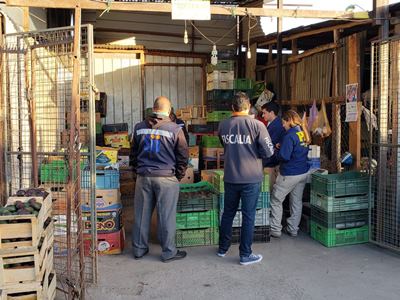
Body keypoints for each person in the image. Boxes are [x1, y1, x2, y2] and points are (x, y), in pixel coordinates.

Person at [218, 92, 274, 265]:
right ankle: (245, 254)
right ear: (248, 106)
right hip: (251, 178)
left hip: (230, 177)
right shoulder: (257, 125)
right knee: (248, 216)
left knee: (228, 213)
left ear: (231, 107)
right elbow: (269, 151)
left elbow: (225, 145)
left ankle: (223, 248)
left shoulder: (223, 125)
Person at [130, 96, 189, 262]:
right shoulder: (175, 129)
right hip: (166, 177)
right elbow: (183, 156)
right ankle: (168, 251)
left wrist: (137, 172)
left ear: (152, 108)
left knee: (141, 215)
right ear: (169, 110)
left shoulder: (139, 127)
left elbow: (132, 153)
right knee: (166, 216)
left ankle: (139, 249)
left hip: (143, 177)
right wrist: (178, 175)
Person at [270, 110, 311, 238]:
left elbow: (284, 156)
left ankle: (275, 229)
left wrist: (276, 151)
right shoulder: (302, 133)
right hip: (303, 172)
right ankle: (293, 229)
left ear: (289, 121)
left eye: (284, 123)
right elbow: (295, 150)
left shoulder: (289, 136)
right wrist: (282, 146)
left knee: (276, 199)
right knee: (296, 201)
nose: (283, 126)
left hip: (289, 173)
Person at [261, 102, 286, 190]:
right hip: (272, 162)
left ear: (271, 112)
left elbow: (269, 144)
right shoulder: (273, 123)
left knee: (269, 190)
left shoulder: (276, 126)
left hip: (272, 163)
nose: (263, 115)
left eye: (264, 113)